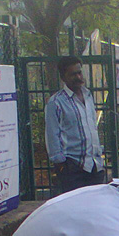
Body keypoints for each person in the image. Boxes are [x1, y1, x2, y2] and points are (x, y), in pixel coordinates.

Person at [45, 56, 106, 195]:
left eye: (79, 73)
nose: (78, 77)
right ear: (63, 77)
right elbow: (52, 134)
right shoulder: (56, 102)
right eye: (73, 74)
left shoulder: (88, 96)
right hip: (72, 167)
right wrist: (61, 164)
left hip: (94, 165)